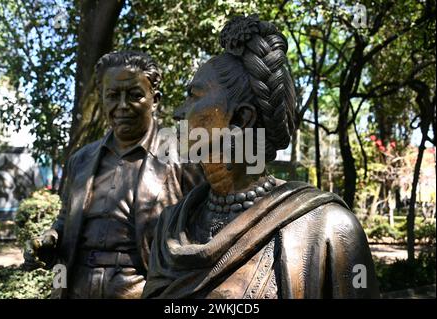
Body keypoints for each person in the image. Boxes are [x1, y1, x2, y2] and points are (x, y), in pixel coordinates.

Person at [142, 15, 379, 299]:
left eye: (193, 96)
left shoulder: (330, 229)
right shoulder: (172, 225)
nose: (178, 113)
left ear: (241, 119)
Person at [23, 51, 203, 298]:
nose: (122, 106)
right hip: (76, 286)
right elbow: (65, 221)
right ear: (102, 100)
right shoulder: (81, 160)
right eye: (112, 96)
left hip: (143, 288)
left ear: (155, 99)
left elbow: (205, 226)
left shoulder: (182, 156)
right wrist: (50, 240)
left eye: (134, 95)